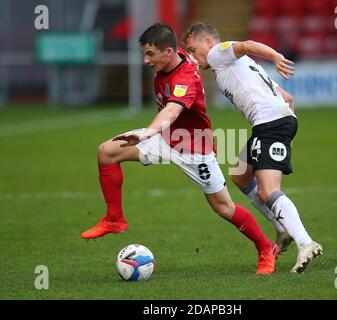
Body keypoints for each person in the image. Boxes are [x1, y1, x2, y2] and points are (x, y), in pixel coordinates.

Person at [80, 23, 279, 274]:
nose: (145, 60)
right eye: (144, 53)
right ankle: (114, 219)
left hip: (193, 146)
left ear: (168, 52)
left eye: (150, 54)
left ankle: (265, 248)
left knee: (223, 207)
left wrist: (148, 132)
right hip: (165, 138)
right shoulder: (171, 59)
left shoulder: (186, 76)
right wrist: (153, 133)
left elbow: (173, 110)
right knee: (106, 151)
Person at [183, 22, 323, 273]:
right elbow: (288, 98)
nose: (192, 57)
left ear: (207, 42)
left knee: (268, 191)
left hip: (271, 124)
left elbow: (246, 45)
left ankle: (305, 242)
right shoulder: (246, 67)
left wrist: (277, 56)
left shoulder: (217, 54)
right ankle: (282, 228)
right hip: (276, 123)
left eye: (193, 49)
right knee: (240, 174)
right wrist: (285, 134)